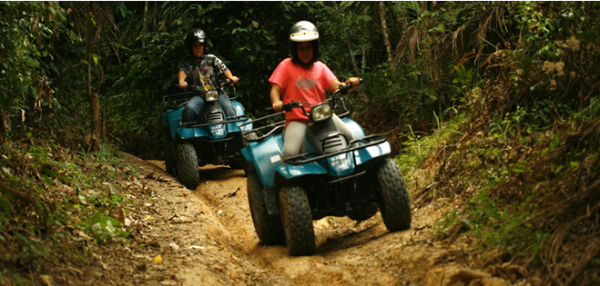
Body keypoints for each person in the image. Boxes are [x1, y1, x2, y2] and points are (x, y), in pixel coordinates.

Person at [269, 20, 360, 160]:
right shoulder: (285, 66)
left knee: (351, 137)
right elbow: (275, 89)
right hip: (298, 119)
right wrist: (277, 102)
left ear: (315, 48)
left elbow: (337, 87)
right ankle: (286, 181)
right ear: (294, 49)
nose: (305, 52)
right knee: (290, 153)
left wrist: (350, 83)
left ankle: (358, 173)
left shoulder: (320, 67)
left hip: (322, 116)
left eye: (309, 47)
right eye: (301, 48)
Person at [178, 28, 239, 124]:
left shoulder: (211, 59)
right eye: (195, 46)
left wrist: (231, 78)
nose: (198, 48)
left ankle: (234, 134)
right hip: (199, 95)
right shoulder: (188, 65)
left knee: (229, 108)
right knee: (189, 109)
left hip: (218, 93)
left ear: (204, 46)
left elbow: (224, 70)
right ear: (190, 48)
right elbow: (182, 73)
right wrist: (182, 81)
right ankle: (189, 136)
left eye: (200, 45)